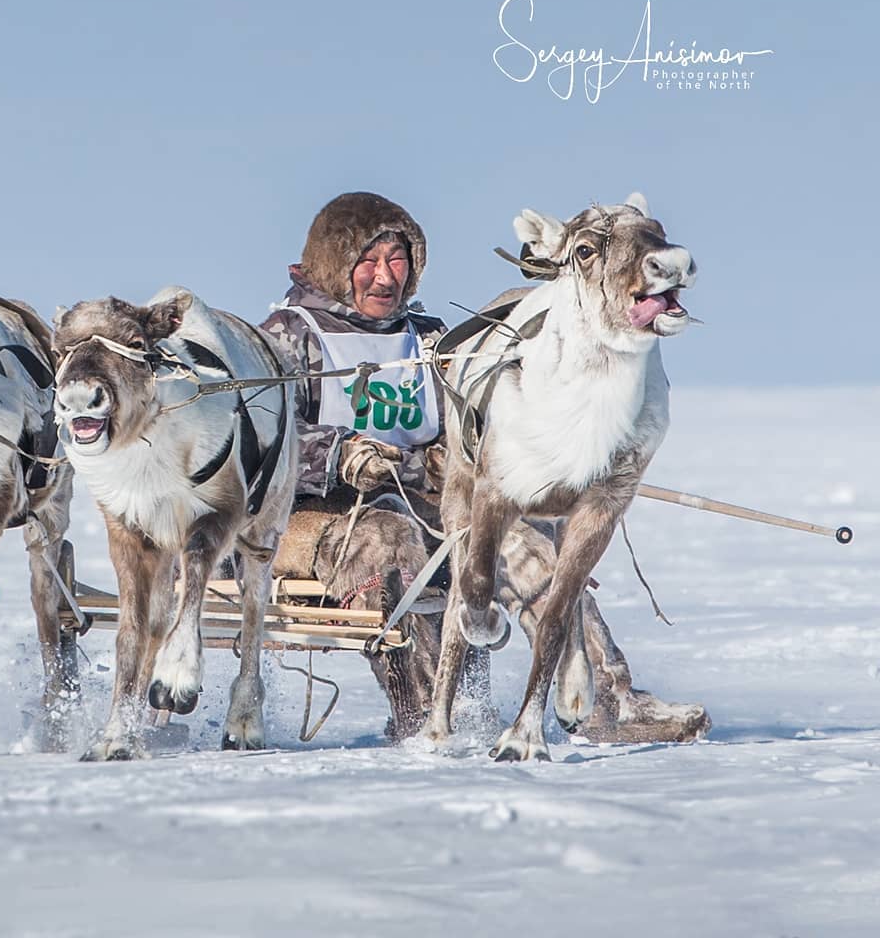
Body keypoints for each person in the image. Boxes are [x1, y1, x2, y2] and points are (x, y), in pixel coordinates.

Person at [262, 191, 710, 745]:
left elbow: (474, 415)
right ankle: (428, 712)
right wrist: (339, 455)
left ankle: (608, 701)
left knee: (529, 550)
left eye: (397, 259)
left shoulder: (431, 339)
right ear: (335, 264)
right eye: (367, 261)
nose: (384, 276)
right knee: (390, 544)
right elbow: (262, 436)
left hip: (423, 498)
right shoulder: (292, 333)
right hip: (316, 518)